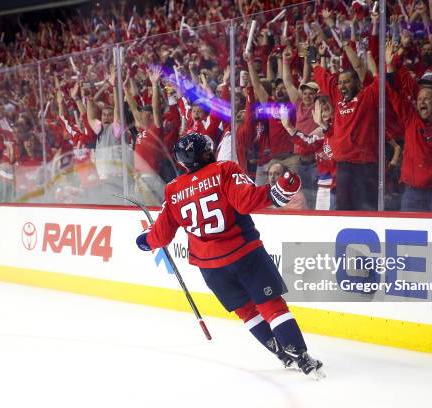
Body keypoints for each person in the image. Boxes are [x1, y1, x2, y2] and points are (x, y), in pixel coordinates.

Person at [135, 133, 324, 378]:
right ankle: (302, 358)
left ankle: (282, 355)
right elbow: (245, 201)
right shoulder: (223, 169)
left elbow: (159, 237)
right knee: (271, 306)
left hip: (211, 269)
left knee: (247, 312)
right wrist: (274, 193)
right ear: (206, 152)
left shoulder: (173, 190)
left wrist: (144, 240)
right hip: (245, 254)